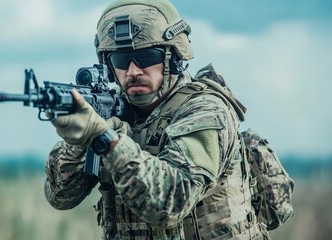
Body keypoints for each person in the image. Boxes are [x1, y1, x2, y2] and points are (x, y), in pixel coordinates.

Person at [44, 0, 267, 239]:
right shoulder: (113, 110)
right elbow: (60, 196)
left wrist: (107, 140)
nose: (132, 71)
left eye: (146, 57)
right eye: (120, 60)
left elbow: (171, 203)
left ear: (173, 57)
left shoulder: (206, 110)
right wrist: (78, 143)